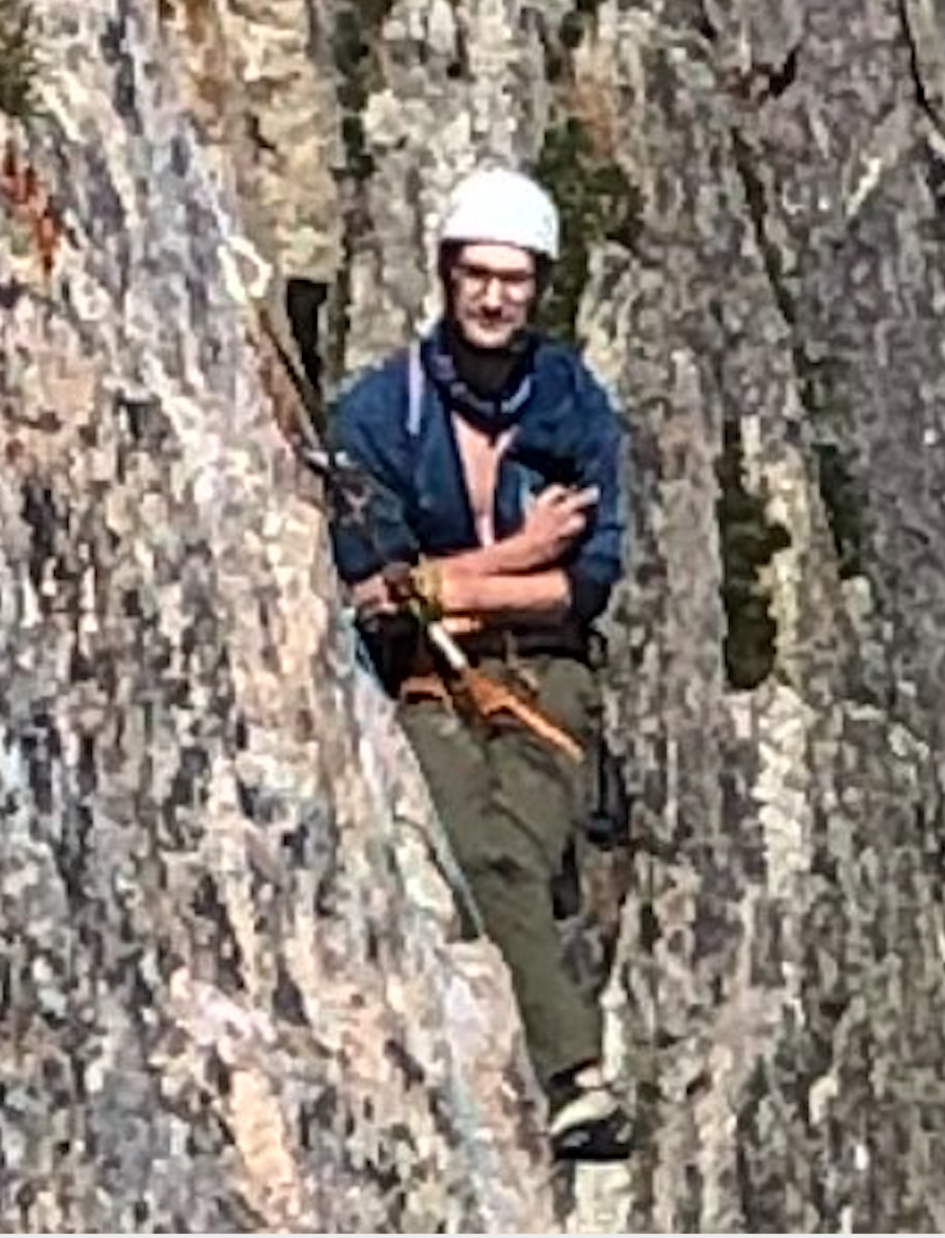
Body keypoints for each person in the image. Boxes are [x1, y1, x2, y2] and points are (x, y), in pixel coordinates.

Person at [324, 166, 632, 1162]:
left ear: (538, 287)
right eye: (477, 275)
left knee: (506, 850)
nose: (495, 297)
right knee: (468, 857)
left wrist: (443, 583)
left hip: (546, 674)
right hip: (426, 677)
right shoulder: (381, 414)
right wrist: (508, 557)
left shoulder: (574, 406)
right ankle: (569, 1076)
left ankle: (570, 1073)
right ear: (446, 276)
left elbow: (584, 584)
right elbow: (368, 590)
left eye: (515, 278)